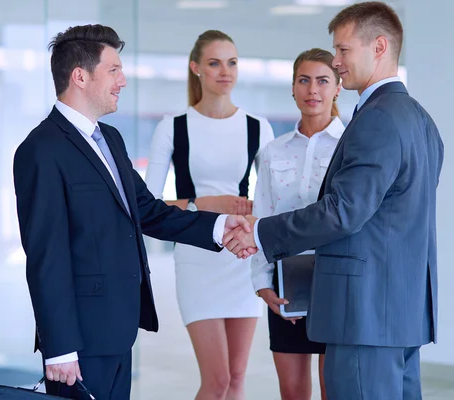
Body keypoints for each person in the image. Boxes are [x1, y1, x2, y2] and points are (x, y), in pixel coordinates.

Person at [12, 24, 252, 400]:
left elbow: (148, 211)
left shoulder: (110, 138)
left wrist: (220, 227)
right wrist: (59, 346)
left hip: (120, 326)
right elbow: (46, 256)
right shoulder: (40, 150)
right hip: (79, 338)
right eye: (114, 70)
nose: (122, 80)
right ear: (79, 76)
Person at [224, 2, 444, 398]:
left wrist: (259, 232)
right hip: (401, 312)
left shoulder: (377, 118)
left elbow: (343, 212)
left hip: (365, 314)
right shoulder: (421, 120)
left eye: (343, 50)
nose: (337, 62)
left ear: (379, 47)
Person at [144, 30, 273, 400]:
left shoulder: (257, 127)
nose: (225, 71)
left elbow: (269, 199)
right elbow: (149, 208)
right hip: (197, 261)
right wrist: (207, 204)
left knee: (236, 379)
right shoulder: (172, 126)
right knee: (216, 381)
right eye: (214, 62)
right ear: (195, 68)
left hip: (242, 259)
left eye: (232, 62)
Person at [251, 48, 344, 400]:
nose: (312, 90)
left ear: (338, 87)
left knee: (331, 390)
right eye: (303, 80)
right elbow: (261, 219)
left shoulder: (351, 147)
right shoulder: (273, 151)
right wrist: (262, 285)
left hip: (335, 280)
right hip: (285, 281)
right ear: (292, 88)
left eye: (323, 80)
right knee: (291, 392)